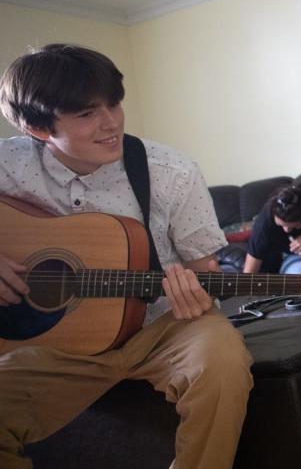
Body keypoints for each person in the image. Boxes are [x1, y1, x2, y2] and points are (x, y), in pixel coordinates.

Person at [0, 44, 253, 468]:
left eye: (114, 104)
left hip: (164, 324)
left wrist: (198, 293)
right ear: (38, 128)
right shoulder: (7, 164)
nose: (110, 123)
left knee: (223, 361)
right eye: (86, 114)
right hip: (50, 348)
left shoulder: (172, 171)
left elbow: (203, 271)